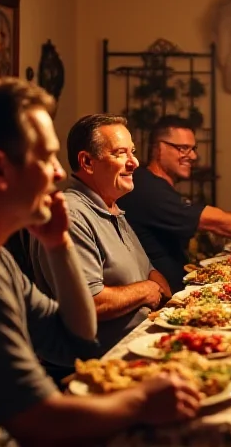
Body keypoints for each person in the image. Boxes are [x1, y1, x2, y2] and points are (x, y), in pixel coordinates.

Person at [0, 78, 199, 446]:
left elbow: (74, 338)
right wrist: (142, 400)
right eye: (45, 157)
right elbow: (38, 421)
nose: (60, 173)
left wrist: (58, 245)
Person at [29, 114, 171, 353]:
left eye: (132, 151)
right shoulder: (71, 214)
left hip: (146, 343)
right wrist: (146, 290)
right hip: (105, 362)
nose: (134, 162)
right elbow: (90, 304)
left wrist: (159, 292)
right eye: (120, 153)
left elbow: (151, 272)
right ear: (87, 162)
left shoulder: (112, 208)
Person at [117, 115, 231, 291]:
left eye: (193, 148)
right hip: (168, 298)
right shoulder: (148, 188)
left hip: (184, 286)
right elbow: (216, 222)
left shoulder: (154, 185)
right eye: (183, 148)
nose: (193, 155)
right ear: (158, 148)